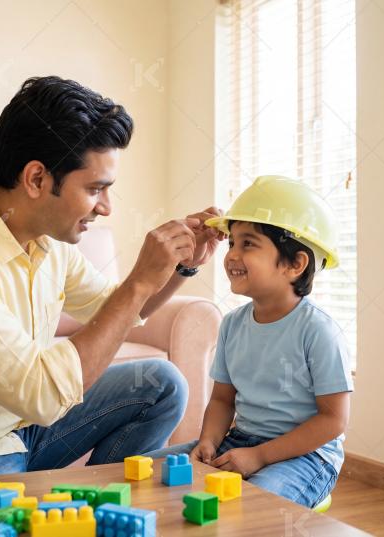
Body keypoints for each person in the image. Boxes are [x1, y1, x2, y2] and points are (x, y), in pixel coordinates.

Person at [0, 76, 224, 479]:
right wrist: (139, 280)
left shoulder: (45, 241)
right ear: (36, 179)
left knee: (161, 383)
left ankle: (106, 505)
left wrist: (180, 267)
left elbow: (115, 310)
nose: (105, 207)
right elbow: (43, 393)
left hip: (20, 431)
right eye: (95, 189)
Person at [144, 175, 353, 508]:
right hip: (241, 442)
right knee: (148, 474)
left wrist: (260, 456)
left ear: (296, 264)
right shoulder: (232, 325)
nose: (232, 256)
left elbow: (333, 420)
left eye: (248, 244)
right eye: (231, 244)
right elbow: (223, 400)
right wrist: (209, 442)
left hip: (308, 457)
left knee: (248, 506)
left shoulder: (318, 330)